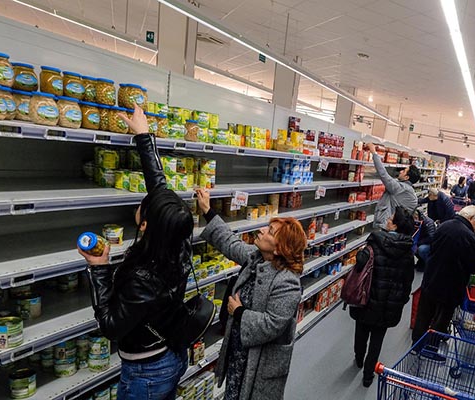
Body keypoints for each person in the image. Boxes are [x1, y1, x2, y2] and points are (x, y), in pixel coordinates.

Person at [79, 106, 192, 400]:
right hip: (173, 354)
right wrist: (143, 136)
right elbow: (160, 188)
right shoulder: (178, 238)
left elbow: (111, 326)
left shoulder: (143, 278)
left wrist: (99, 267)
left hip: (147, 373)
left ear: (144, 225)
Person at [196, 188, 306, 400]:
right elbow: (230, 243)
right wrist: (207, 211)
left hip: (260, 362)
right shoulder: (257, 259)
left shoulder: (288, 282)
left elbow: (273, 324)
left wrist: (239, 313)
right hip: (240, 355)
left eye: (270, 232)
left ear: (278, 249)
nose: (263, 231)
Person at [349, 206, 417, 387]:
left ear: (395, 226)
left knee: (361, 331)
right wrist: (401, 301)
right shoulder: (408, 253)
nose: (387, 219)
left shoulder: (374, 242)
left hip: (367, 299)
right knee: (377, 339)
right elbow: (407, 281)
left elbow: (360, 265)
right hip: (389, 305)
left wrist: (361, 252)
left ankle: (358, 359)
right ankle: (368, 376)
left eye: (391, 218)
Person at [412, 205, 475, 344]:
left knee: (424, 314)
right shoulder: (468, 236)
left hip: (431, 278)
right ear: (470, 218)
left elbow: (432, 248)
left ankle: (416, 344)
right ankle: (431, 347)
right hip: (451, 286)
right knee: (441, 319)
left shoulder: (444, 226)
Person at [366, 142, 420, 230]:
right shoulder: (408, 190)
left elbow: (383, 174)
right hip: (393, 227)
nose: (401, 171)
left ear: (407, 177)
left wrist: (374, 152)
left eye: (404, 171)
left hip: (387, 226)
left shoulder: (401, 188)